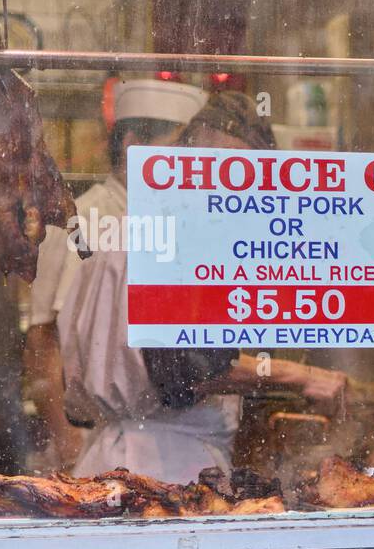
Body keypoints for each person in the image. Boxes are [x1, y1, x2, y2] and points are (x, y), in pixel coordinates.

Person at [57, 90, 348, 485]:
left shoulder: (132, 228)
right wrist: (302, 377)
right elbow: (184, 367)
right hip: (166, 471)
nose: (232, 188)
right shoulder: (171, 236)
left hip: (112, 463)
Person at [26, 78, 208, 472]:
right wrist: (68, 440)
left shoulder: (185, 222)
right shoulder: (84, 220)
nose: (193, 163)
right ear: (131, 145)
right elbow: (44, 340)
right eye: (180, 148)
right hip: (103, 439)